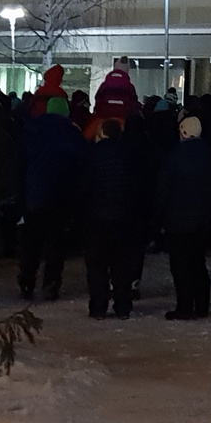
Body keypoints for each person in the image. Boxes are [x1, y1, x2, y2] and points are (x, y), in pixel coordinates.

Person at [16, 90, 82, 300]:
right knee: (56, 243)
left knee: (31, 241)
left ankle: (26, 281)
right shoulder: (72, 135)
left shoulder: (31, 131)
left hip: (34, 194)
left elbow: (20, 164)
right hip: (61, 197)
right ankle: (51, 284)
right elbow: (80, 167)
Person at [154, 115, 211, 320]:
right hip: (204, 220)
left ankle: (185, 306)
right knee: (198, 263)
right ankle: (202, 305)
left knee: (181, 266)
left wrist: (157, 219)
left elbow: (163, 192)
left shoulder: (174, 158)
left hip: (178, 220)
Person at [81, 119, 143, 319]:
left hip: (96, 217)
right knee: (121, 265)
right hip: (123, 218)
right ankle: (123, 305)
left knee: (97, 265)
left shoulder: (91, 155)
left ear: (102, 134)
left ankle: (98, 307)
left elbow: (83, 187)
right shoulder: (130, 156)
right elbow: (136, 188)